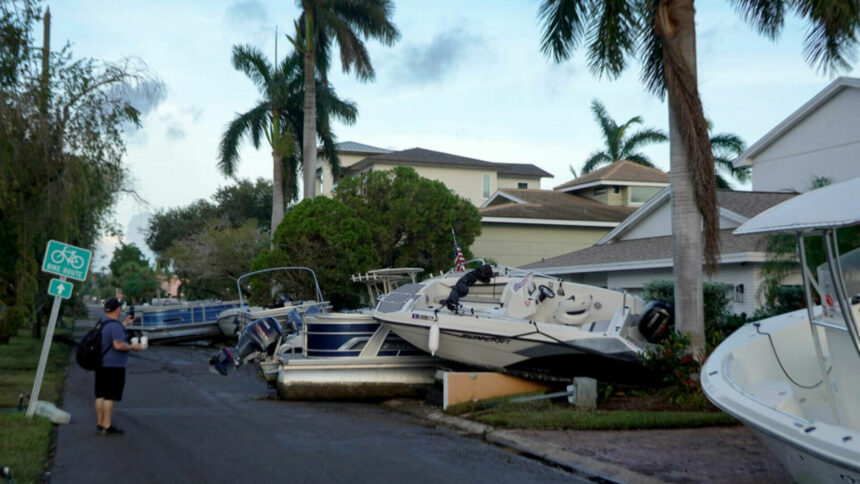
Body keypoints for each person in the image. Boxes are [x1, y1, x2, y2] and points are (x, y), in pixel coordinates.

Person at [95, 298, 144, 436]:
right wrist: (133, 347)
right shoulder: (115, 326)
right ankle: (107, 426)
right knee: (109, 397)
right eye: (119, 308)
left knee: (100, 395)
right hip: (114, 366)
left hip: (100, 364)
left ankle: (100, 424)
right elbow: (118, 344)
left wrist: (125, 323)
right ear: (117, 310)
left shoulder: (102, 322)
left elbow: (111, 334)